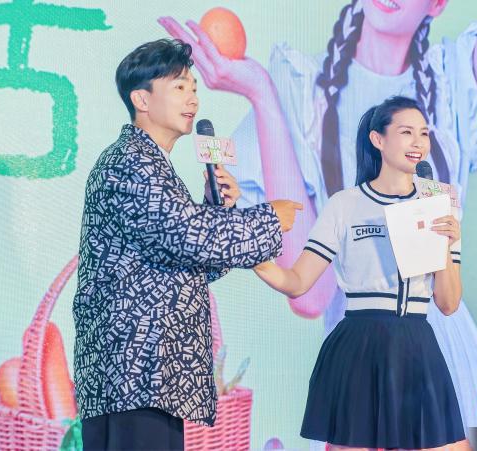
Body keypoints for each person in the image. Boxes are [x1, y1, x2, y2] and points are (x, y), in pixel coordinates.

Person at [159, 0, 477, 428]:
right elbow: (308, 293)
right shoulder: (304, 97)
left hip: (441, 360)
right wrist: (262, 93)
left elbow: (446, 299)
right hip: (361, 364)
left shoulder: (452, 83)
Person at [72, 38, 303, 450]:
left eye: (194, 88)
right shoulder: (131, 161)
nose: (193, 98)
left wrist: (216, 208)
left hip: (144, 377)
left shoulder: (151, 164)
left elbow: (186, 258)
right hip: (136, 372)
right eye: (179, 87)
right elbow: (186, 234)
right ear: (142, 99)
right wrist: (269, 218)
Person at [253, 96, 468, 450]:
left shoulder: (441, 206)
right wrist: (253, 256)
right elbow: (298, 282)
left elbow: (448, 303)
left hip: (417, 345)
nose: (418, 142)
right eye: (406, 132)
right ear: (378, 139)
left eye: (424, 133)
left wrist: (445, 243)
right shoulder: (346, 204)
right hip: (360, 346)